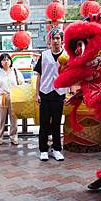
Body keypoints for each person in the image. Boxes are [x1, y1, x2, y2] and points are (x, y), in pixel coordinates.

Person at [34, 27, 68, 161]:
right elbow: (39, 76)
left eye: (58, 38)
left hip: (59, 93)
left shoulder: (66, 56)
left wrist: (68, 93)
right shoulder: (44, 55)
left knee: (57, 123)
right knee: (44, 123)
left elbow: (69, 76)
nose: (55, 41)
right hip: (45, 92)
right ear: (50, 41)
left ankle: (57, 149)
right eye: (53, 38)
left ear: (62, 40)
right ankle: (43, 150)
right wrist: (37, 94)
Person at [0, 53, 24, 146]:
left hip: (14, 97)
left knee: (14, 119)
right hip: (2, 97)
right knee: (0, 120)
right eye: (3, 60)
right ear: (0, 62)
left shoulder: (16, 72)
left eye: (7, 59)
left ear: (10, 61)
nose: (6, 61)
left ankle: (14, 137)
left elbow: (21, 85)